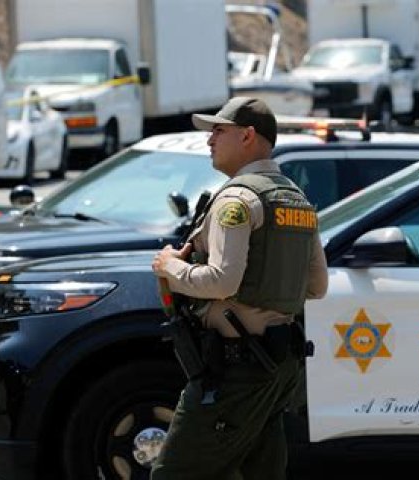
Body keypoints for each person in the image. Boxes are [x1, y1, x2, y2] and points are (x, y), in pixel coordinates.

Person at [150, 96, 328, 479]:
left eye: (218, 131)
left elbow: (222, 281)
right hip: (277, 368)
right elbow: (316, 286)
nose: (209, 140)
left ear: (247, 136)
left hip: (234, 373)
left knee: (174, 473)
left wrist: (170, 267)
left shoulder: (237, 199)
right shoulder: (297, 200)